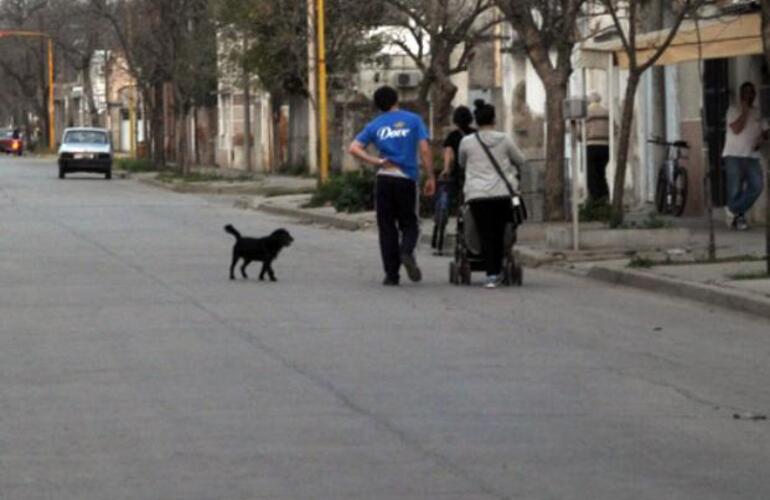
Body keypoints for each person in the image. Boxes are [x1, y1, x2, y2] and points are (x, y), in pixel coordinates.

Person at [348, 86, 436, 286]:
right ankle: (406, 251)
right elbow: (424, 149)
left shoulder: (374, 125)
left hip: (384, 179)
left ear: (378, 105)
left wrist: (376, 162)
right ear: (396, 99)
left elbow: (353, 148)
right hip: (406, 179)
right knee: (410, 223)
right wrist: (430, 176)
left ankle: (391, 275)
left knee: (387, 227)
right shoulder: (413, 120)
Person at [458, 100, 527, 289]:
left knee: (485, 233)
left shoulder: (466, 142)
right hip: (502, 194)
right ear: (494, 119)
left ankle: (492, 274)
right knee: (501, 231)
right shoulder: (504, 139)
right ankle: (499, 267)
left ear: (476, 121)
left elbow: (462, 163)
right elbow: (520, 160)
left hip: (477, 195)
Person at [723, 82, 768, 231]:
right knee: (735, 190)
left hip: (752, 155)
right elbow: (736, 129)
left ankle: (732, 210)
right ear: (741, 94)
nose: (749, 95)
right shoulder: (733, 109)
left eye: (751, 92)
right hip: (733, 155)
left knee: (757, 186)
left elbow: (765, 131)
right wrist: (745, 112)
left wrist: (762, 137)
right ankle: (739, 219)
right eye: (746, 92)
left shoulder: (758, 112)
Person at [432, 106, 476, 255]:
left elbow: (448, 154)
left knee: (451, 204)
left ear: (455, 120)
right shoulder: (475, 134)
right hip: (474, 175)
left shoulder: (452, 136)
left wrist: (445, 170)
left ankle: (441, 241)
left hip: (458, 175)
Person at [583, 92, 611, 203]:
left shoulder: (587, 112)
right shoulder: (607, 112)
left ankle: (594, 198)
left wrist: (581, 137)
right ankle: (604, 196)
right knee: (601, 173)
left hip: (592, 145)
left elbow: (582, 131)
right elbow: (615, 128)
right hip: (605, 146)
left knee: (591, 174)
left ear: (590, 101)